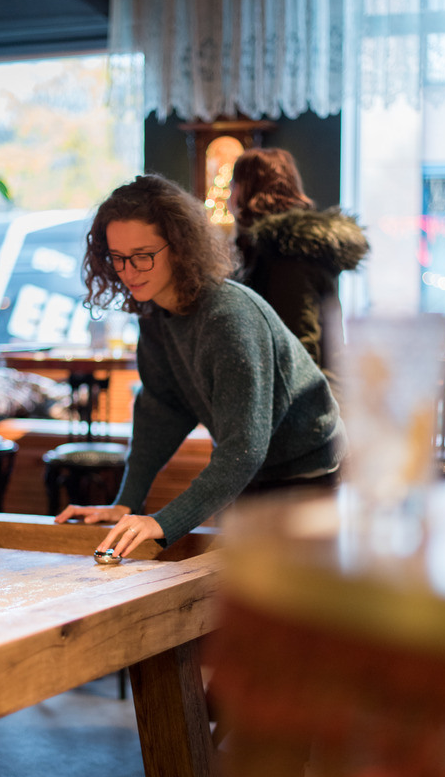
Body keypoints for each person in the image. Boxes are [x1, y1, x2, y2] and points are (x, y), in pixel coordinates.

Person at [55, 173, 347, 558]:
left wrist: (162, 523)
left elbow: (243, 450)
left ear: (178, 247)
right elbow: (162, 409)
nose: (129, 271)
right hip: (251, 469)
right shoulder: (154, 313)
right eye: (118, 258)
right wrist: (127, 503)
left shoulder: (229, 317)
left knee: (288, 605)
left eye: (143, 255)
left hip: (306, 471)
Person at [229, 147, 369, 398]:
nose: (229, 198)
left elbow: (299, 348)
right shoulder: (294, 250)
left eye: (232, 186)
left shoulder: (286, 254)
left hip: (303, 411)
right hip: (319, 398)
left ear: (244, 189)